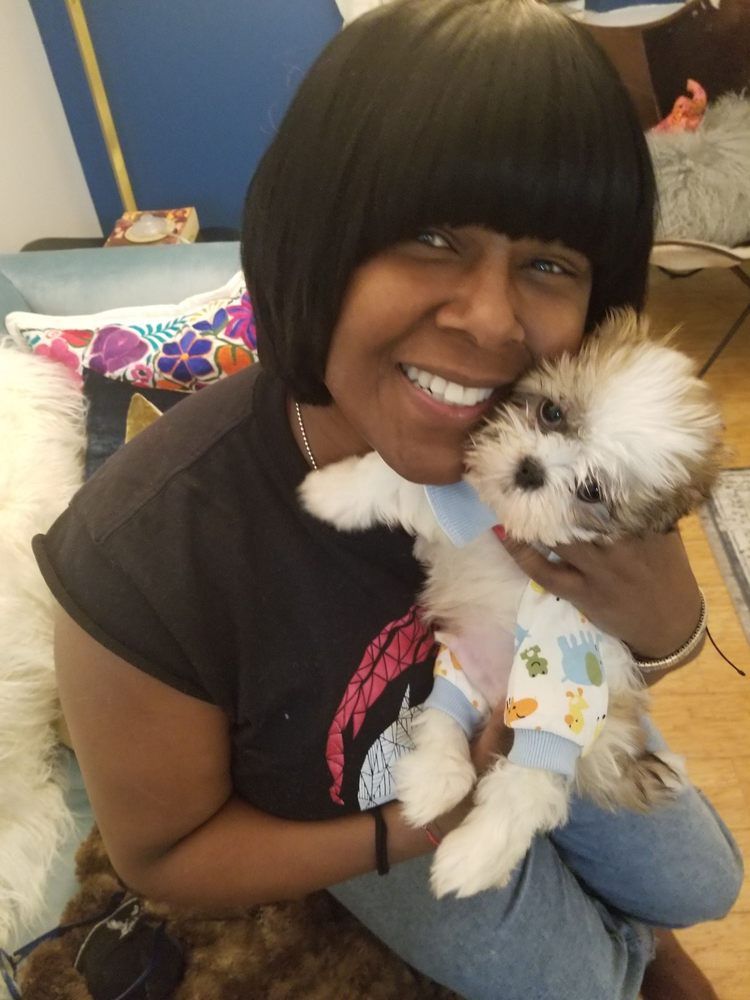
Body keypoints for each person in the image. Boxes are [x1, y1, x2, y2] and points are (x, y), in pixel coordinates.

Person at [37, 1, 742, 997]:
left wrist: (668, 627)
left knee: (709, 882)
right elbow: (163, 856)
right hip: (369, 800)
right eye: (427, 235)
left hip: (546, 715)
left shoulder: (553, 434)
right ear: (316, 233)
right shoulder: (145, 551)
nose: (491, 319)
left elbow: (605, 642)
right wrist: (410, 827)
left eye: (548, 263)